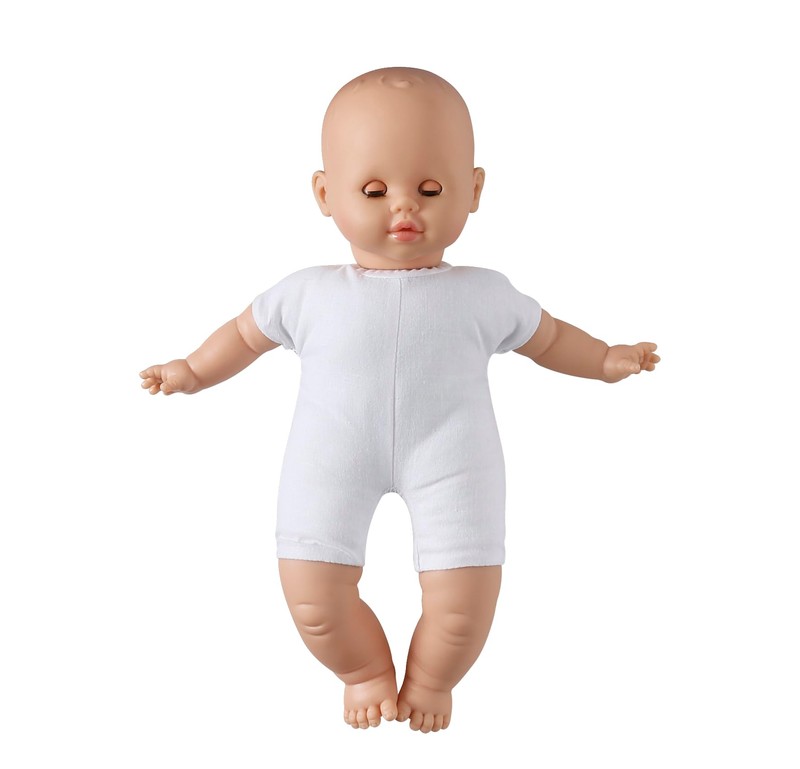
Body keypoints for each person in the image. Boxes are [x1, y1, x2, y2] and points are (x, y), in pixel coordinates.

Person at [140, 67, 659, 734]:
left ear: (474, 191)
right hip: (330, 457)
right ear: (325, 194)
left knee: (463, 606)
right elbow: (243, 337)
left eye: (431, 189)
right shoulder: (306, 292)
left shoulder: (485, 293)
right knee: (313, 601)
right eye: (374, 191)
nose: (404, 207)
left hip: (454, 457)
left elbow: (551, 338)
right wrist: (192, 369)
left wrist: (606, 359)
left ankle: (433, 680)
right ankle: (363, 672)